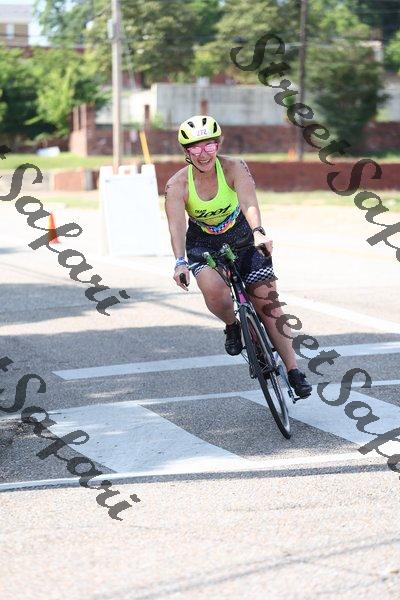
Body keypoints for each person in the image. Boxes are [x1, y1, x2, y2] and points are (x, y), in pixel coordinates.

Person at [164, 115, 311, 398]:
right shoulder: (177, 184)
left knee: (268, 304)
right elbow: (176, 225)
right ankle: (232, 325)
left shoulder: (234, 167)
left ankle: (294, 370)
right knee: (215, 292)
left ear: (218, 145)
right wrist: (180, 261)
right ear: (186, 151)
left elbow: (248, 201)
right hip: (203, 244)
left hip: (243, 236)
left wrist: (258, 232)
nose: (203, 154)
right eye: (196, 148)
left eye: (209, 145)